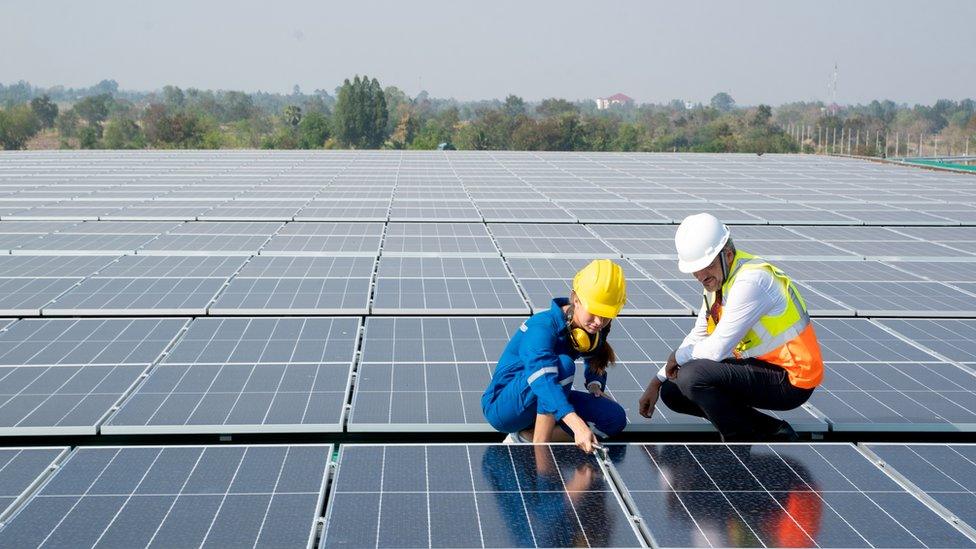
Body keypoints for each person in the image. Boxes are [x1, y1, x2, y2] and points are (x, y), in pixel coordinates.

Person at [638, 213, 824, 441]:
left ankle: (738, 440)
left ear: (727, 255)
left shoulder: (752, 281)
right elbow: (699, 334)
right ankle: (771, 429)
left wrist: (676, 357)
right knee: (672, 390)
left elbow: (716, 349)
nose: (700, 276)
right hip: (759, 368)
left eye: (705, 267)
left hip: (792, 377)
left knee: (692, 376)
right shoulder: (717, 281)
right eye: (695, 270)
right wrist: (657, 380)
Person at [482, 259, 628, 453]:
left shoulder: (591, 328)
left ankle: (525, 436)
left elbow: (595, 356)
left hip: (547, 400)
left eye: (606, 315)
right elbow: (543, 381)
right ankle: (539, 451)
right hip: (506, 408)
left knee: (615, 418)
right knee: (563, 365)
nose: (598, 322)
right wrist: (576, 423)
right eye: (594, 313)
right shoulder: (541, 327)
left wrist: (594, 384)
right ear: (575, 300)